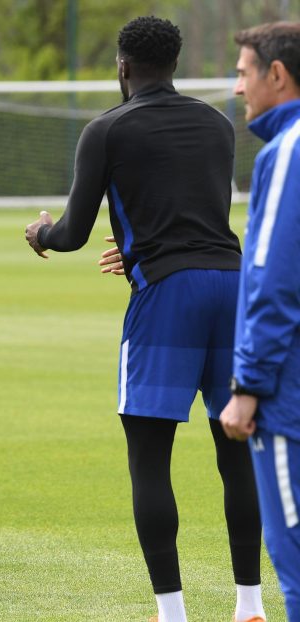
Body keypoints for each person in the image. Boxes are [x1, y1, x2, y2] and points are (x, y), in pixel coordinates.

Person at [24, 16, 265, 622]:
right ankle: (250, 604)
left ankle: (173, 613)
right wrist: (139, 249)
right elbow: (192, 209)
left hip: (167, 298)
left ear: (123, 66)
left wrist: (39, 233)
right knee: (236, 451)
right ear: (175, 64)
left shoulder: (106, 129)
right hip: (233, 288)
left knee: (150, 457)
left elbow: (74, 234)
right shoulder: (217, 124)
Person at [220, 21, 300, 621]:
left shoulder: (287, 151)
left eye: (245, 72)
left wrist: (247, 388)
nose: (238, 87)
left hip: (288, 398)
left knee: (295, 563)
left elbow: (271, 277)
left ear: (277, 74)